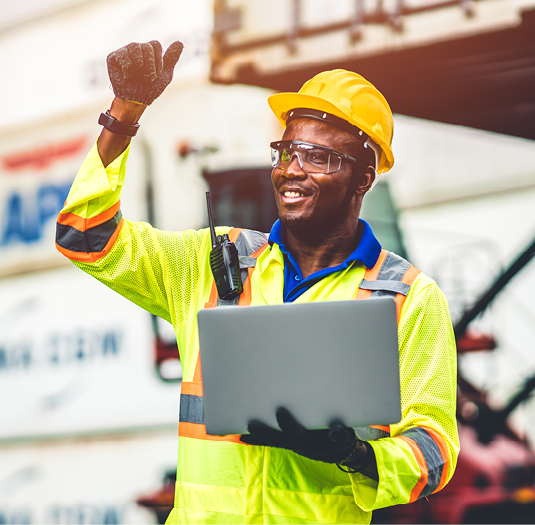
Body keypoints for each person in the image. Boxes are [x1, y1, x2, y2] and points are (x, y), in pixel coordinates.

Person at [56, 40, 459, 524]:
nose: (292, 169)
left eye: (318, 157)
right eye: (286, 151)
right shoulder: (209, 262)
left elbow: (434, 452)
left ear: (364, 178)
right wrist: (123, 116)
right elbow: (84, 235)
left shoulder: (408, 298)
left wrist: (354, 454)